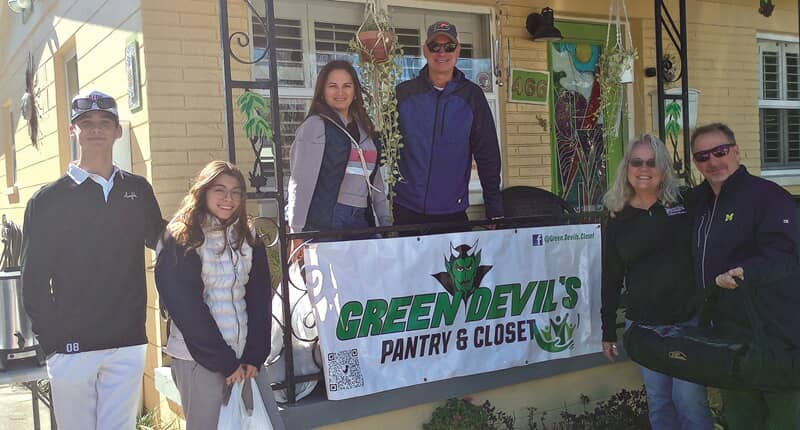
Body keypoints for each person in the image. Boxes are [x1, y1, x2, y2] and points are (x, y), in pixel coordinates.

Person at [21, 90, 164, 430]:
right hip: (72, 348)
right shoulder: (47, 201)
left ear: (117, 131)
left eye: (104, 123)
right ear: (74, 131)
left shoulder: (138, 190)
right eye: (86, 123)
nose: (95, 130)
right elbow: (34, 280)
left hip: (127, 344)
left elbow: (165, 241)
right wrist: (52, 344)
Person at [689, 122, 800, 429]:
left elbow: (785, 256)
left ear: (736, 151)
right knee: (740, 419)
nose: (712, 161)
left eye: (720, 151)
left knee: (783, 419)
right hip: (730, 338)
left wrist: (746, 272)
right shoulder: (699, 203)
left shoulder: (768, 196)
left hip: (776, 335)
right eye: (702, 157)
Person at [155, 161, 282, 430]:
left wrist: (253, 356)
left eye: (236, 192)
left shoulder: (248, 238)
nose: (229, 199)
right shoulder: (180, 239)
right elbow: (187, 309)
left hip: (245, 361)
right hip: (199, 360)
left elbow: (260, 300)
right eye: (220, 190)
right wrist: (225, 361)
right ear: (203, 192)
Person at [601, 134, 713, 430]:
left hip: (686, 324)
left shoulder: (685, 204)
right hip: (644, 327)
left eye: (652, 162)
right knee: (660, 403)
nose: (644, 168)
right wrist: (608, 330)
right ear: (627, 167)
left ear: (663, 168)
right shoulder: (617, 216)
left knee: (688, 400)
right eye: (636, 162)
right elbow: (611, 277)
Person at [393, 20, 503, 229]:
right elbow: (383, 146)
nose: (442, 52)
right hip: (407, 210)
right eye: (435, 46)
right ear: (425, 50)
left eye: (449, 46)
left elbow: (487, 154)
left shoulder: (472, 96)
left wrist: (494, 210)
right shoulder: (404, 94)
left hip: (452, 211)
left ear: (458, 51)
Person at [287, 60, 391, 254]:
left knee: (364, 282)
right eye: (332, 86)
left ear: (355, 90)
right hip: (328, 220)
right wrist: (296, 231)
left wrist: (384, 221)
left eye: (347, 86)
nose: (340, 92)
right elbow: (300, 182)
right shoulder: (316, 126)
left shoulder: (365, 128)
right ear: (322, 90)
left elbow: (375, 180)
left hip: (362, 220)